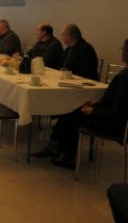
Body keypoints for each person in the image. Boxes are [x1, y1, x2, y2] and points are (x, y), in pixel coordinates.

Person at [32, 39, 128, 170]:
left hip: (116, 124)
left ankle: (67, 156)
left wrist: (93, 111)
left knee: (71, 113)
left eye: (123, 48)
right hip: (109, 115)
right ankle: (57, 148)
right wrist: (98, 102)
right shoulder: (125, 74)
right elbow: (118, 101)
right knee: (72, 110)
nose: (121, 50)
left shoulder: (126, 78)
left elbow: (118, 112)